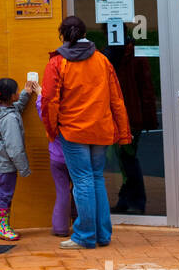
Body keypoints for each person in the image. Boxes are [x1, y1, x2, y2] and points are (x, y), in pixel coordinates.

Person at [40, 16, 132, 250]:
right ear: (84, 32)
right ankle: (102, 234)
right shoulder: (102, 60)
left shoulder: (57, 63)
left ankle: (85, 236)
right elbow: (116, 99)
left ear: (63, 35)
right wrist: (123, 132)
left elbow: (50, 101)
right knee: (96, 178)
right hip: (100, 130)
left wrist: (52, 130)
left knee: (82, 181)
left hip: (72, 131)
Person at [106, 33, 158, 214]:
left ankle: (134, 201)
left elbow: (146, 89)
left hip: (131, 118)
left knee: (127, 160)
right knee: (123, 161)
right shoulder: (111, 55)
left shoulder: (131, 56)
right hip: (118, 117)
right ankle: (128, 199)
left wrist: (147, 119)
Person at [0, 77, 36, 240]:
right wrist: (24, 169)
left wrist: (26, 94)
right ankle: (3, 227)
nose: (18, 93)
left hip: (4, 160)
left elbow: (17, 107)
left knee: (5, 192)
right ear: (11, 96)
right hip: (8, 163)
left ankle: (4, 226)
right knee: (5, 193)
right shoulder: (9, 119)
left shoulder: (1, 108)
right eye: (17, 91)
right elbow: (15, 148)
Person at [34, 88, 77, 236]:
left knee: (62, 192)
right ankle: (80, 224)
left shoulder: (52, 114)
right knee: (80, 190)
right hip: (75, 157)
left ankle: (60, 228)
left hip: (56, 158)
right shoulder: (74, 112)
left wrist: (40, 95)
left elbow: (43, 110)